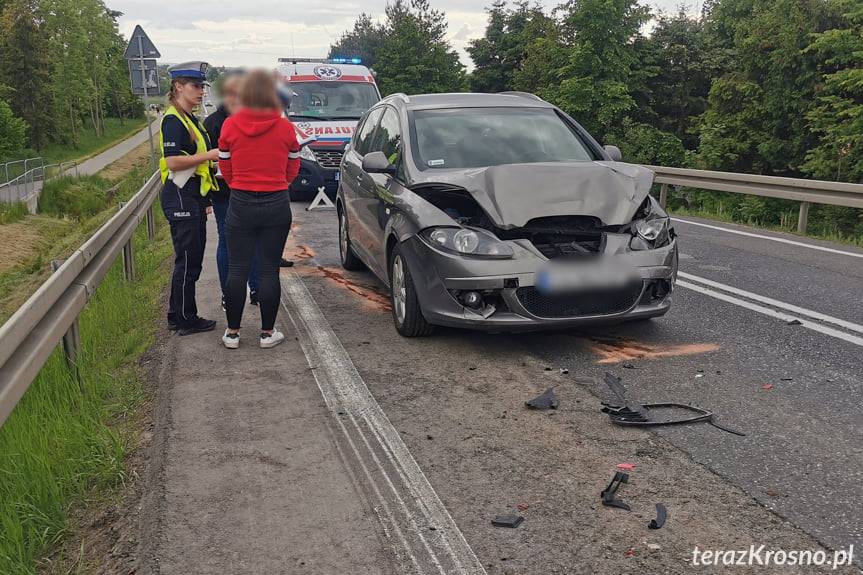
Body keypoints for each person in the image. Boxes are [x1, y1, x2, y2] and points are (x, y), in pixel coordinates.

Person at [218, 69, 301, 349]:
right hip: (276, 202)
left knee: (237, 268)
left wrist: (237, 184)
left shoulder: (229, 125)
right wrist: (280, 183)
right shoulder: (285, 127)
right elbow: (293, 165)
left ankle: (232, 333)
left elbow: (225, 166)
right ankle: (267, 333)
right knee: (268, 270)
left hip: (240, 201)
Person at [160, 62, 220, 335]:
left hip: (192, 195)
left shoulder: (189, 119)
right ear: (178, 87)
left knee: (190, 258)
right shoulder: (173, 120)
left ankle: (177, 314)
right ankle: (186, 318)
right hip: (180, 195)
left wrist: (205, 200)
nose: (201, 93)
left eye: (203, 87)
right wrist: (210, 155)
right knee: (188, 259)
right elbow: (172, 162)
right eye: (196, 87)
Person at [203, 70, 261, 309]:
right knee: (231, 242)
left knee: (248, 241)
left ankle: (253, 289)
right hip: (228, 193)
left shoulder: (250, 119)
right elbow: (207, 162)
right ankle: (234, 292)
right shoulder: (214, 123)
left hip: (241, 192)